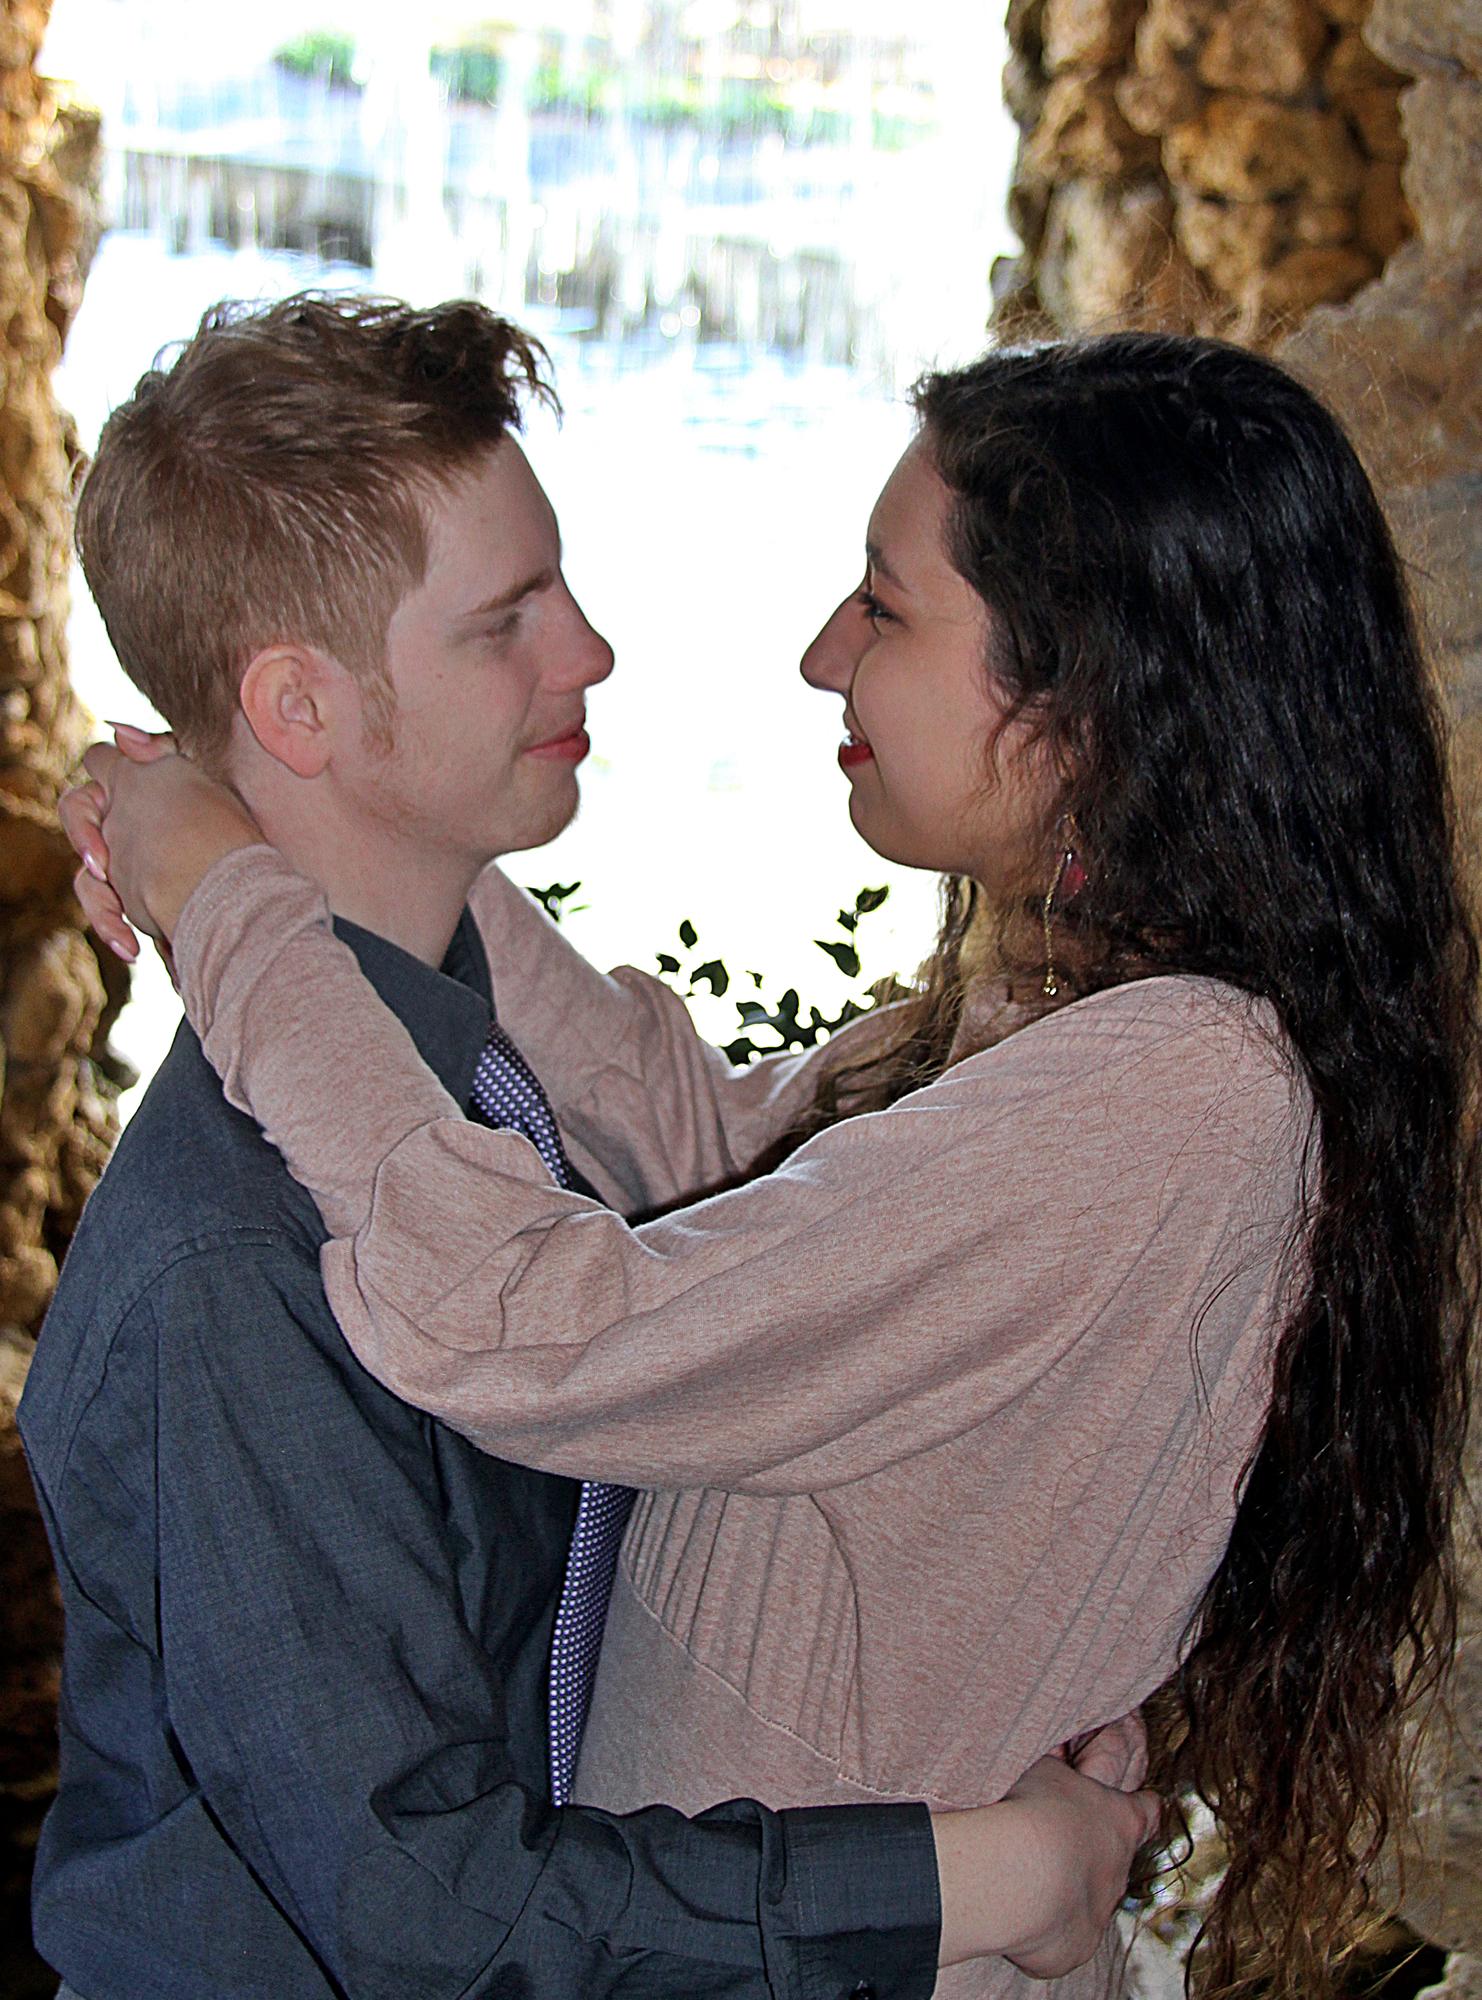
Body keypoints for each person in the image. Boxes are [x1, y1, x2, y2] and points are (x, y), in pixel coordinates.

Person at [72, 328, 1482, 2000]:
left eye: (884, 608)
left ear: (1088, 695)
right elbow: (708, 1156)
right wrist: (315, 861)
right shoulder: (1053, 1016)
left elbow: (539, 1325)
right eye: (510, 616)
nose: (820, 653)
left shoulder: (1172, 1095)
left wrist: (241, 896)